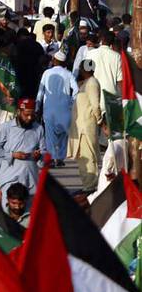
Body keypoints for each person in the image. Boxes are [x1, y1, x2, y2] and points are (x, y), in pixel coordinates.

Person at [0, 97, 45, 200]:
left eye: (32, 114)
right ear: (18, 111)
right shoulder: (6, 128)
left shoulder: (38, 128)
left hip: (30, 179)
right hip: (10, 177)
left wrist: (39, 156)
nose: (30, 118)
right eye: (26, 115)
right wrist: (12, 155)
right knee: (8, 209)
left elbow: (44, 151)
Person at [67, 62, 104, 192]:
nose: (80, 70)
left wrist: (100, 121)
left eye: (82, 68)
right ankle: (87, 185)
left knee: (88, 159)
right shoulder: (86, 82)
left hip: (86, 128)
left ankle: (90, 187)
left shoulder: (92, 83)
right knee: (83, 159)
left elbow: (95, 105)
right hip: (80, 127)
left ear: (86, 69)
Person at [37, 48, 77, 163]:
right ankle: (60, 157)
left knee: (50, 135)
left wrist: (37, 106)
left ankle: (52, 157)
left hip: (49, 108)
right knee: (63, 134)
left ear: (54, 60)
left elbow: (41, 91)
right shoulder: (68, 74)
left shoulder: (47, 73)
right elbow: (76, 90)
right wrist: (71, 102)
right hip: (64, 108)